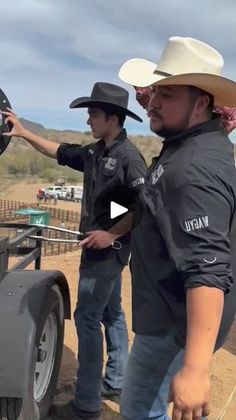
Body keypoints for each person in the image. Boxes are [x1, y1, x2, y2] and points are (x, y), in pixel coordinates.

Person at [2, 82, 147, 420]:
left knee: (86, 317)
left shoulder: (129, 158)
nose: (88, 121)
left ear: (113, 118)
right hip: (97, 243)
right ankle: (116, 380)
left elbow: (145, 205)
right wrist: (23, 133)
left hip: (108, 249)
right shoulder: (96, 152)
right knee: (111, 312)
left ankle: (87, 405)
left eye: (93, 114)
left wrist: (110, 234)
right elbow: (58, 151)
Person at [117, 36, 236, 419]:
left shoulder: (193, 169)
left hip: (173, 325)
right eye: (153, 93)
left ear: (201, 103)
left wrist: (197, 369)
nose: (152, 102)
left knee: (139, 411)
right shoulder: (190, 145)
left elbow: (207, 269)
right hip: (172, 316)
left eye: (165, 94)